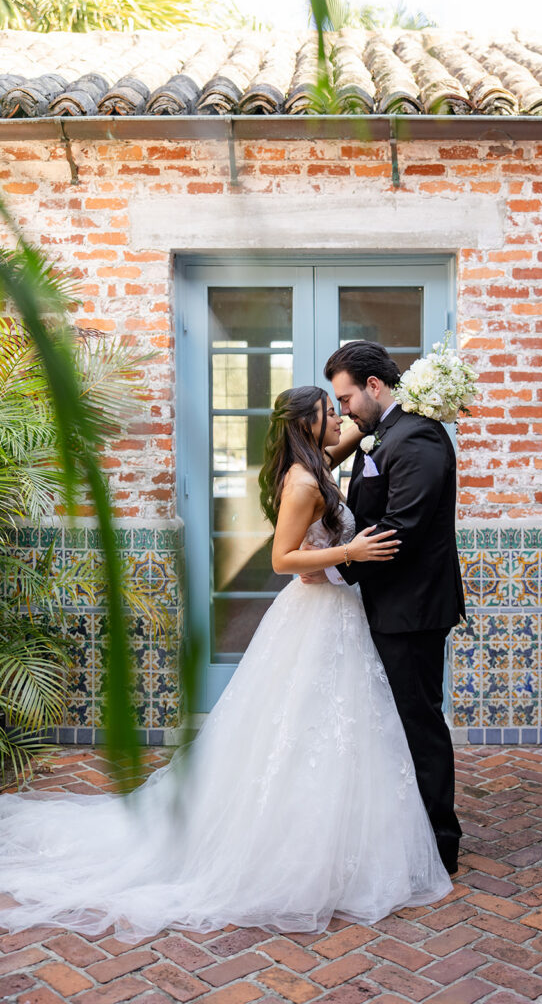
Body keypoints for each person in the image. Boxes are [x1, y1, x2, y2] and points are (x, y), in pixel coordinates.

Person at [0, 385, 453, 944]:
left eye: (340, 406)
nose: (340, 418)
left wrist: (413, 403)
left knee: (336, 727)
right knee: (300, 726)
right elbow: (282, 559)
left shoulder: (317, 463)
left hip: (339, 612)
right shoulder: (303, 481)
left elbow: (362, 429)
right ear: (307, 426)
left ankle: (339, 835)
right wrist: (348, 553)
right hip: (316, 613)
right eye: (328, 412)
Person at [314, 342, 467, 876]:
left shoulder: (417, 436)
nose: (344, 410)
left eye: (346, 398)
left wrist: (335, 569)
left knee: (418, 722)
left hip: (413, 609)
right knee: (396, 720)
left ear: (374, 386)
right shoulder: (385, 431)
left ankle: (440, 844)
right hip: (391, 604)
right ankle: (408, 834)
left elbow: (403, 527)